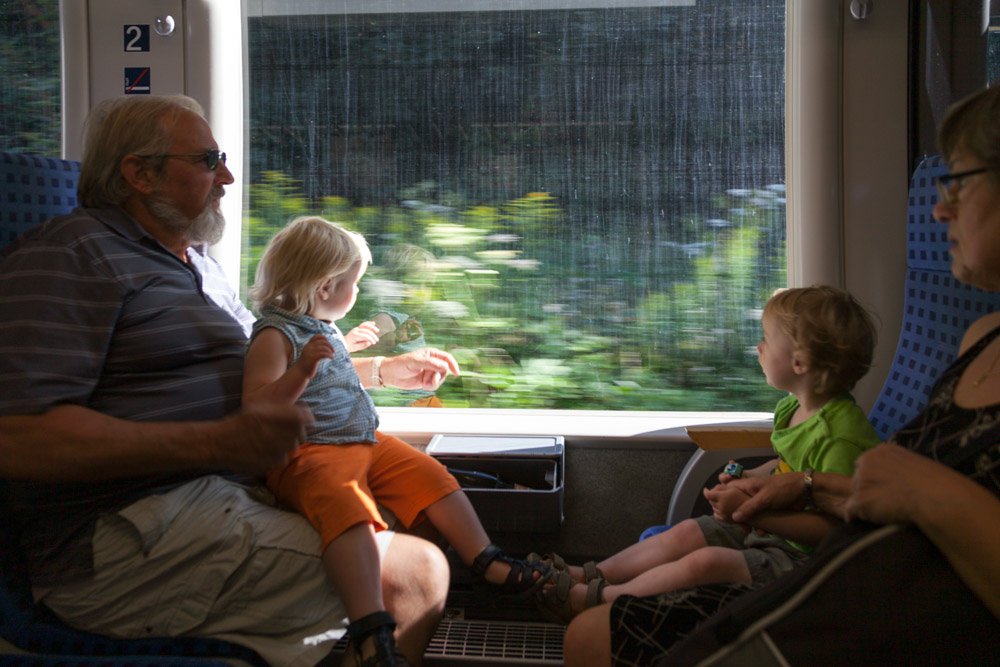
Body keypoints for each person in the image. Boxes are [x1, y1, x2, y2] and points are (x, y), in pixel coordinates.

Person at [0, 94, 463, 666]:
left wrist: (378, 373)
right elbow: (18, 436)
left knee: (417, 509)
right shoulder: (72, 255)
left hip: (219, 494)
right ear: (140, 174)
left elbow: (268, 368)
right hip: (124, 529)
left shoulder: (197, 264)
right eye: (207, 160)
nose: (227, 177)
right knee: (414, 575)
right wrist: (218, 443)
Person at [563, 84, 1000, 667]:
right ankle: (588, 580)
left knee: (598, 633)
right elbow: (856, 489)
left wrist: (911, 489)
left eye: (960, 182)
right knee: (597, 626)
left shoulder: (843, 432)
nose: (940, 209)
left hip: (859, 594)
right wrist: (784, 485)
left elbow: (895, 499)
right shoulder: (980, 338)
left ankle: (589, 593)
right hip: (852, 571)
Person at [243, 216, 554, 664]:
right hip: (311, 452)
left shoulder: (321, 326)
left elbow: (336, 375)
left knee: (431, 475)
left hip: (361, 440)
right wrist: (302, 370)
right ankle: (371, 622)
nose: (357, 292)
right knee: (349, 511)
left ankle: (487, 559)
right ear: (325, 287)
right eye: (354, 283)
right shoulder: (274, 336)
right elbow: (257, 406)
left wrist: (374, 362)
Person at [537, 285, 879, 623]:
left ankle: (595, 601)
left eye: (767, 339)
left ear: (799, 362)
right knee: (688, 532)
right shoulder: (792, 408)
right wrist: (749, 478)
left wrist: (751, 513)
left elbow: (837, 530)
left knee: (706, 563)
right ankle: (590, 574)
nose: (759, 347)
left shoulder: (839, 439)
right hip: (770, 530)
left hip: (805, 562)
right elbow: (787, 468)